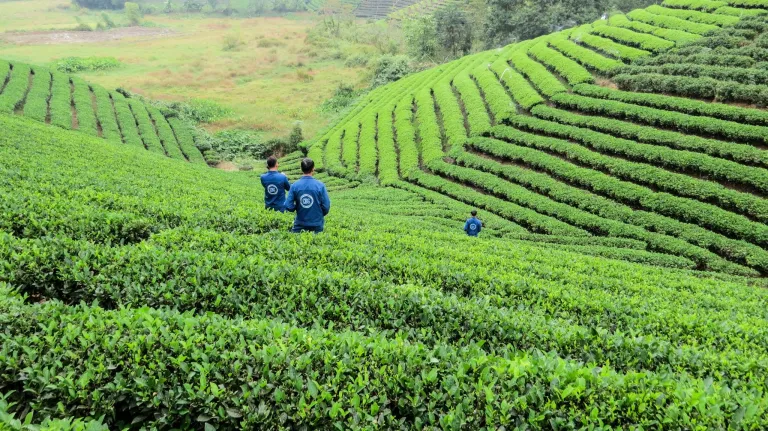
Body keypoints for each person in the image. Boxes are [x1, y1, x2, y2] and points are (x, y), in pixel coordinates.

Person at [285, 158, 331, 233]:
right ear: (313, 169)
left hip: (300, 225)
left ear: (301, 169)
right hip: (317, 224)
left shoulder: (295, 186)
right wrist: (318, 214)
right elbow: (326, 206)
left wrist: (297, 207)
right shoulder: (320, 186)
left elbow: (288, 205)